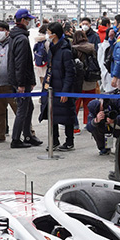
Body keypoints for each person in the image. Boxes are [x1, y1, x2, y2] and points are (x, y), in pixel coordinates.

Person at [8, 8, 41, 149]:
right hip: (21, 80)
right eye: (28, 20)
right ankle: (16, 138)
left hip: (22, 79)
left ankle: (27, 135)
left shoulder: (15, 36)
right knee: (22, 109)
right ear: (22, 20)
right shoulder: (21, 39)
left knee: (29, 107)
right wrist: (22, 83)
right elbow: (21, 63)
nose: (29, 22)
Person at [43, 22, 76, 151]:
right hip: (52, 86)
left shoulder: (65, 51)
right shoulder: (52, 48)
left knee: (67, 115)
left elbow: (70, 73)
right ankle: (54, 140)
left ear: (55, 34)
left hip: (62, 87)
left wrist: (65, 92)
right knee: (52, 114)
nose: (47, 35)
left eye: (49, 33)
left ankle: (69, 141)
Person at [70, 29, 99, 130]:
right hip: (91, 79)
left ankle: (75, 126)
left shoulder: (74, 49)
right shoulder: (92, 47)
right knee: (89, 104)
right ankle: (89, 124)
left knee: (76, 104)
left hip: (79, 81)